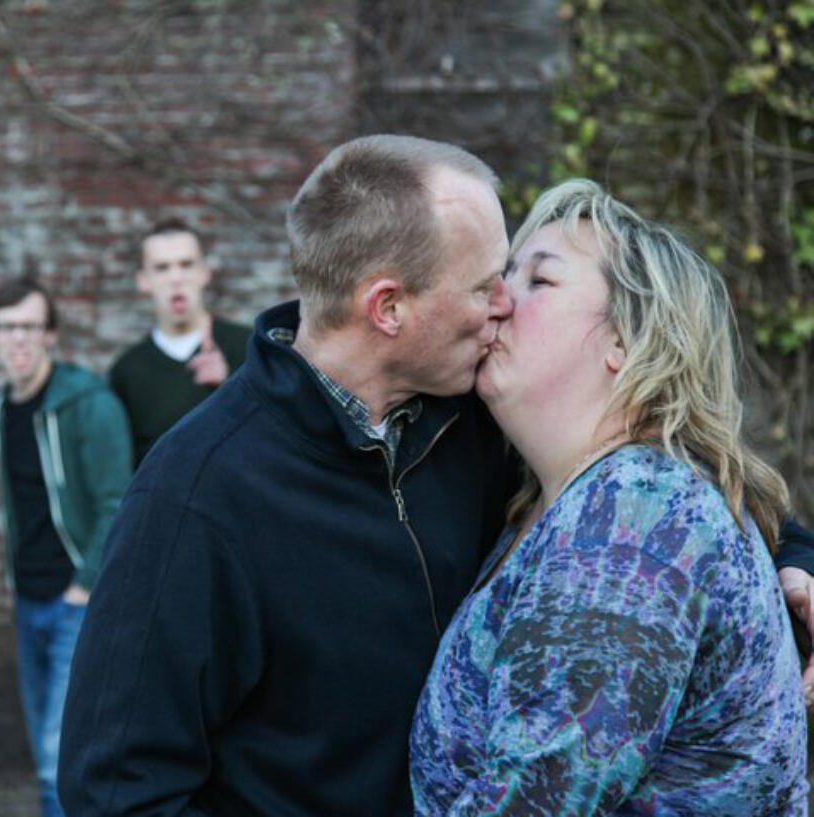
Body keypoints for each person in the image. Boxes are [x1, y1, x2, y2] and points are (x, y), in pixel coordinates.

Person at [59, 135, 814, 817]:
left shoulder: (486, 425)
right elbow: (119, 789)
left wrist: (796, 570)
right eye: (488, 280)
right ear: (389, 307)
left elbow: (676, 517)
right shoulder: (200, 491)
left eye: (524, 278)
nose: (503, 303)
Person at [410, 180, 808, 815]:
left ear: (628, 341)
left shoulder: (637, 519)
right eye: (506, 273)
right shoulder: (555, 505)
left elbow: (534, 801)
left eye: (540, 281)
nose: (500, 298)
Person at [0, 276, 133, 817]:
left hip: (78, 603)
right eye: (6, 328)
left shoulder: (89, 404)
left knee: (58, 760)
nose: (17, 339)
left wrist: (82, 588)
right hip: (28, 601)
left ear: (50, 335)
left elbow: (117, 503)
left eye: (29, 327)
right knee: (45, 754)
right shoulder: (3, 406)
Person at [109, 217, 252, 466]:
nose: (176, 278)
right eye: (162, 268)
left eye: (186, 264)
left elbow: (275, 443)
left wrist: (228, 387)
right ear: (143, 280)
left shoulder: (248, 347)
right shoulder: (127, 372)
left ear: (204, 272)